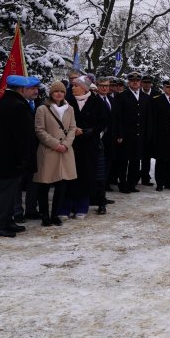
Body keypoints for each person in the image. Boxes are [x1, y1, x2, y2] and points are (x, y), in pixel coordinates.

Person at [0, 75, 40, 238]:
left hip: (1, 156)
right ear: (22, 89)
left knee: (7, 191)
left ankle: (7, 221)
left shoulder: (1, 103)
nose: (33, 91)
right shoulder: (18, 106)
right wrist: (23, 158)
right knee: (6, 193)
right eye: (30, 88)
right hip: (12, 159)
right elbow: (22, 137)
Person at [34, 81, 77, 226]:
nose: (59, 94)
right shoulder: (42, 109)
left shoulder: (69, 109)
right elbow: (39, 130)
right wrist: (55, 144)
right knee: (44, 185)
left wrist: (65, 144)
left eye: (62, 91)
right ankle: (45, 215)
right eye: (56, 91)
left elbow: (72, 128)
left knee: (62, 185)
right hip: (48, 150)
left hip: (65, 151)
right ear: (51, 93)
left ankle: (55, 214)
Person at [65, 76, 108, 218]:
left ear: (84, 88)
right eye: (72, 86)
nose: (73, 88)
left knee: (87, 174)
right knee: (72, 175)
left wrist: (93, 131)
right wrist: (72, 129)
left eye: (76, 86)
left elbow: (104, 121)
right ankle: (69, 205)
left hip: (90, 144)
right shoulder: (68, 102)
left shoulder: (96, 102)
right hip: (73, 143)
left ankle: (82, 207)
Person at [115, 71, 151, 193]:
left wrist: (147, 134)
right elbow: (118, 117)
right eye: (132, 81)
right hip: (126, 135)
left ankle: (131, 184)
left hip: (139, 134)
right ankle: (123, 184)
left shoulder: (146, 97)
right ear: (129, 82)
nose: (135, 82)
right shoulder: (121, 96)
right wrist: (119, 133)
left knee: (136, 161)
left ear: (140, 83)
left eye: (137, 81)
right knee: (124, 161)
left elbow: (147, 118)